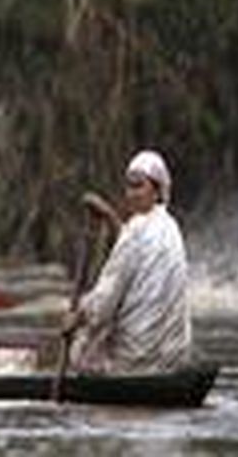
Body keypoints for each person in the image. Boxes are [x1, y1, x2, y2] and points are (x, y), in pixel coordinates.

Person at [62, 149, 192, 374]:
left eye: (139, 186)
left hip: (134, 361)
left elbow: (102, 305)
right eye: (128, 186)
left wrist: (77, 317)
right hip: (173, 358)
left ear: (157, 190)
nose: (131, 194)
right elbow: (134, 250)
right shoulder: (171, 227)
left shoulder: (135, 232)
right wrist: (110, 217)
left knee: (79, 349)